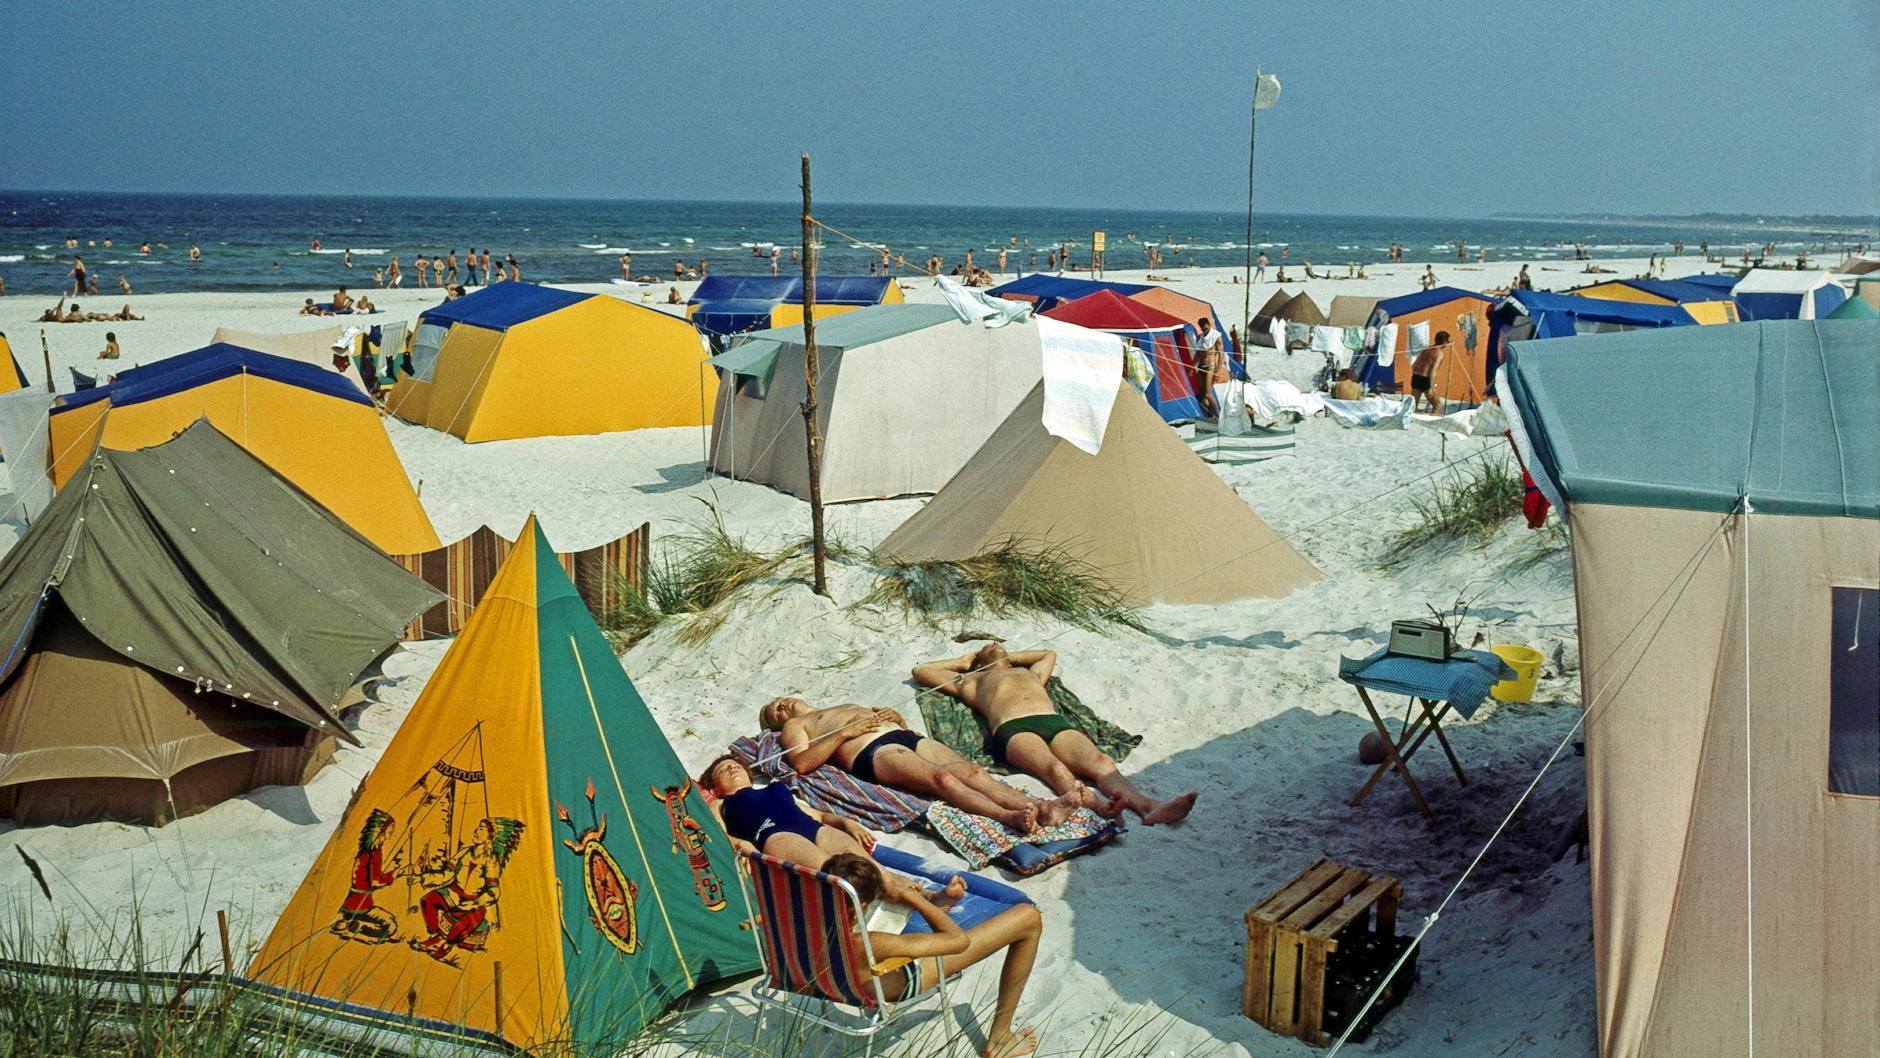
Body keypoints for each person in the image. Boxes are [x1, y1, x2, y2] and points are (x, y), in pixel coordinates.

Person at [912, 645, 1197, 826]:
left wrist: (1008, 657)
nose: (994, 644)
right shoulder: (972, 682)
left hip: (1053, 721)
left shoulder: (1031, 674)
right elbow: (922, 671)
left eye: (999, 644)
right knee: (1054, 767)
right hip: (1013, 728)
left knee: (1101, 761)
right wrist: (964, 662)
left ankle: (1148, 807)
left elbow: (1049, 654)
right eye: (986, 647)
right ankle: (1097, 806)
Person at [821, 852, 1042, 1058]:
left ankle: (938, 907)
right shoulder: (869, 943)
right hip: (893, 981)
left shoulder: (795, 928)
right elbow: (958, 942)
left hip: (832, 982)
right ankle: (1000, 1039)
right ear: (860, 906)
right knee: (1028, 918)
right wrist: (910, 896)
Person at [760, 697, 1076, 833]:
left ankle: (1042, 807)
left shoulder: (837, 704)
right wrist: (844, 732)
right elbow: (801, 762)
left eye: (780, 700)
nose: (781, 705)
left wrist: (896, 719)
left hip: (902, 735)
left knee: (972, 772)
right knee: (942, 779)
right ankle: (1009, 816)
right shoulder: (796, 725)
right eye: (775, 711)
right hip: (871, 751)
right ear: (777, 723)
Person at [1192, 317, 1226, 416]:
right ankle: (1206, 415)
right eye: (1203, 329)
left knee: (1207, 393)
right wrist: (1192, 367)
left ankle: (1217, 414)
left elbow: (1221, 354)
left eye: (1206, 329)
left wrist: (1218, 371)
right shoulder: (1201, 337)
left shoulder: (1216, 336)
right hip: (1201, 366)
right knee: (1202, 395)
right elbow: (1198, 353)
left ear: (1209, 325)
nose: (1204, 331)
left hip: (1210, 367)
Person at [1411, 330, 1448, 413]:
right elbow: (1433, 371)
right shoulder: (1439, 354)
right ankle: (1433, 423)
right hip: (1425, 379)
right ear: (1445, 342)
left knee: (1413, 405)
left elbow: (1414, 365)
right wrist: (1431, 387)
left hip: (1416, 376)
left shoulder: (1426, 349)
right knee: (1437, 405)